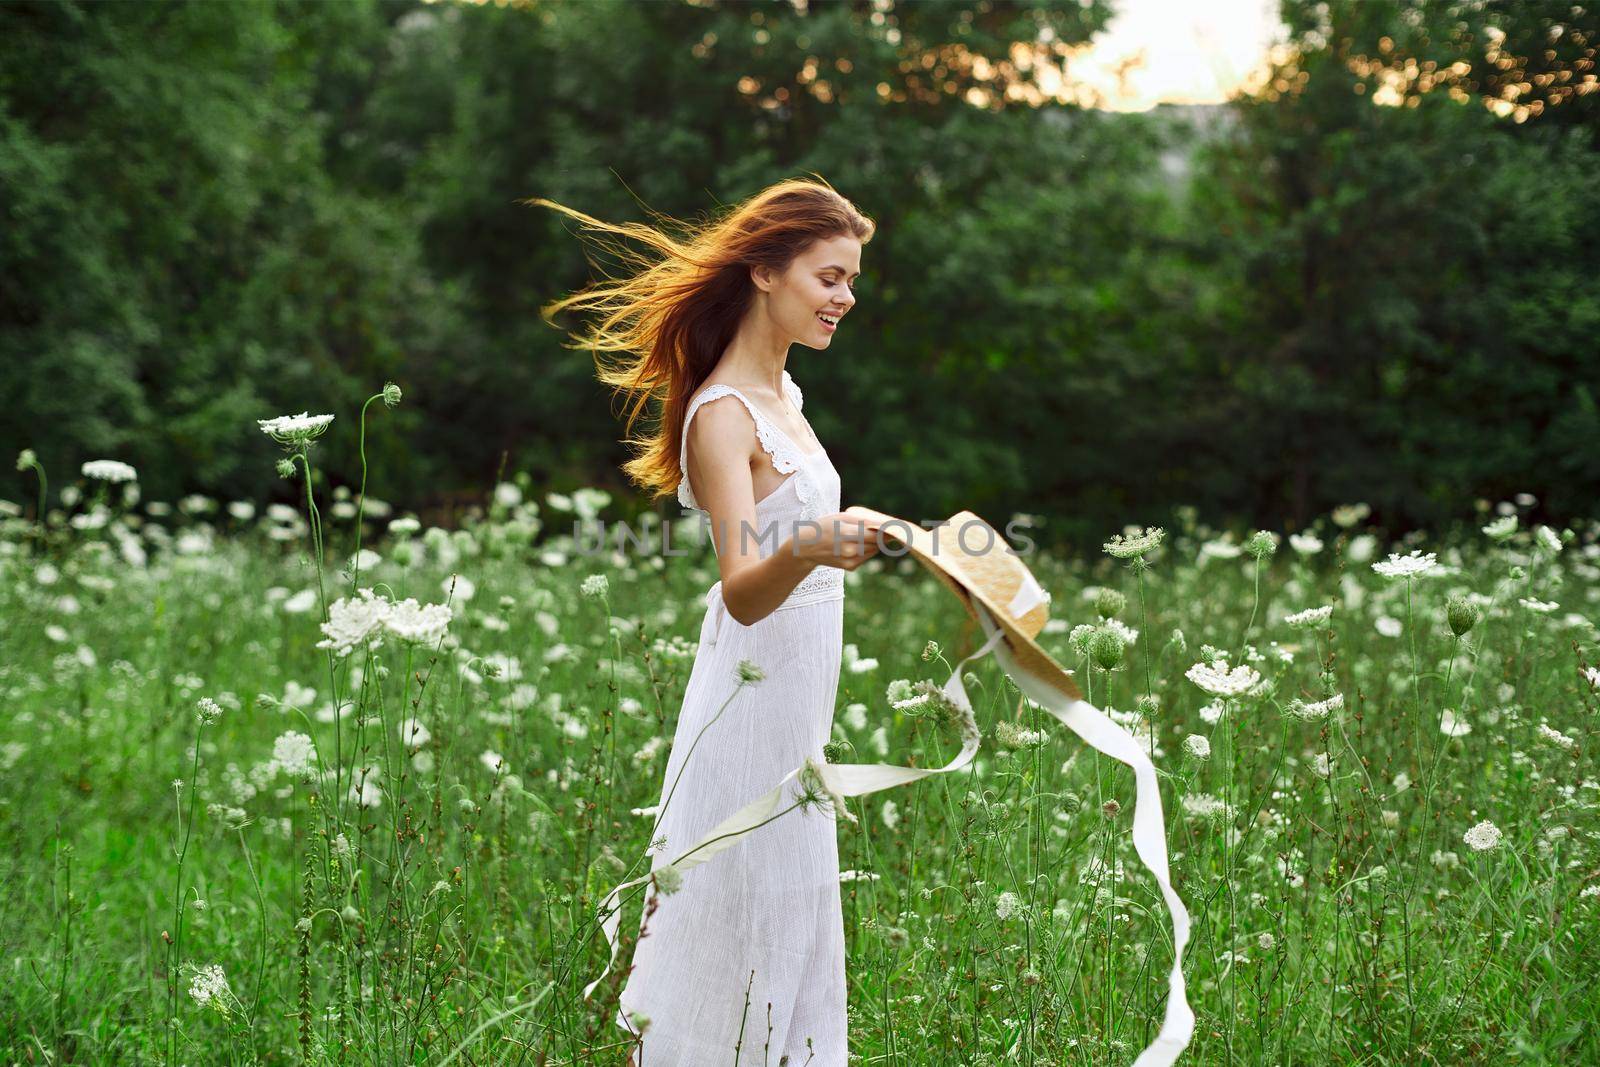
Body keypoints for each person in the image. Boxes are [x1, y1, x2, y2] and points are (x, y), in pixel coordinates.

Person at [532, 177, 882, 1065]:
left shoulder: (787, 400)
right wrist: (812, 546)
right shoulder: (721, 416)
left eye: (850, 282)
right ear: (766, 271)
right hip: (751, 696)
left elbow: (798, 538)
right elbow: (740, 585)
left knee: (792, 899)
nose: (845, 298)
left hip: (800, 702)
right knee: (742, 894)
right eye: (830, 277)